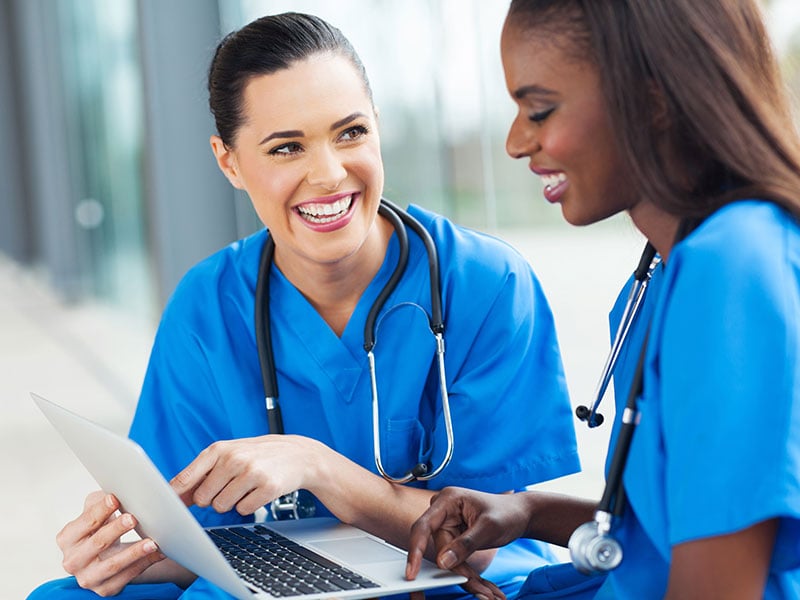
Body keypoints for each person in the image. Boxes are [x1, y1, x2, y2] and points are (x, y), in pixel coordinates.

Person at [27, 11, 581, 600]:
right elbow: (192, 535)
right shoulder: (209, 305)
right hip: (284, 576)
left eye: (351, 133)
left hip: (451, 578)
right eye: (287, 147)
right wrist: (126, 553)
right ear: (229, 162)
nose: (329, 174)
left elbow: (486, 537)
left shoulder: (484, 282)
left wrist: (315, 466)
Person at [405, 0, 800, 598]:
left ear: (654, 98)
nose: (515, 142)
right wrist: (530, 510)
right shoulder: (671, 270)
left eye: (539, 109)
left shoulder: (735, 270)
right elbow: (671, 530)